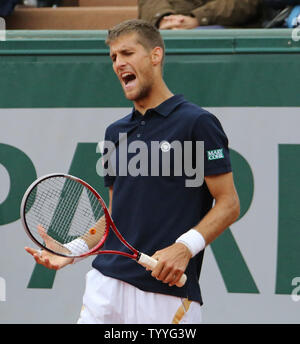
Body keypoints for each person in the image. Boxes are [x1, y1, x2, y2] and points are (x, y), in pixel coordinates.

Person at [25, 19, 240, 324]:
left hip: (166, 295)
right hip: (105, 282)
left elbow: (229, 203)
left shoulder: (197, 123)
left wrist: (184, 248)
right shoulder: (115, 133)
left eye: (127, 53)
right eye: (113, 57)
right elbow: (115, 213)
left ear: (155, 55)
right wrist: (71, 250)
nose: (118, 63)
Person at [138, 0, 263, 29]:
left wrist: (197, 19)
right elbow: (150, 2)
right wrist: (163, 19)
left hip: (224, 29)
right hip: (169, 27)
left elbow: (244, 3)